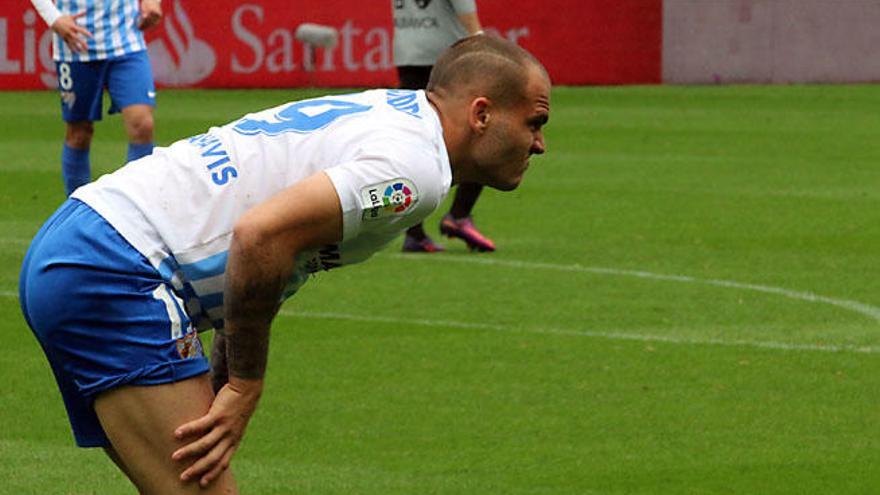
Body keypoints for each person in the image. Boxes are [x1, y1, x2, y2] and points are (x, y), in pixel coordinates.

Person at [19, 34, 550, 493]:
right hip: (114, 269)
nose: (540, 144)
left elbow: (271, 249)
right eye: (534, 122)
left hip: (82, 239)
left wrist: (225, 373)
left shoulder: (394, 113)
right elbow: (259, 235)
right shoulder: (415, 171)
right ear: (481, 114)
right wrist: (245, 386)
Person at [392, 0, 497, 252]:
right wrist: (482, 42)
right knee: (483, 132)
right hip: (448, 59)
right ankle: (460, 215)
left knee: (416, 142)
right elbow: (467, 16)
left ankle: (414, 232)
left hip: (408, 55)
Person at [30, 0, 162, 196]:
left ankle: (138, 209)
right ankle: (76, 212)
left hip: (127, 41)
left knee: (142, 124)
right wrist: (54, 18)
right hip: (75, 45)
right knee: (79, 133)